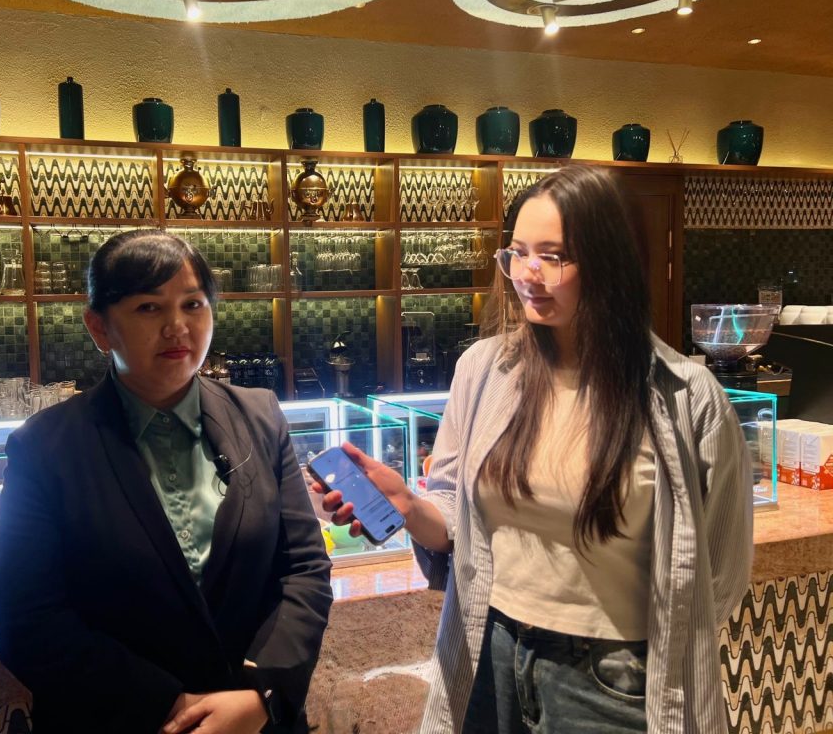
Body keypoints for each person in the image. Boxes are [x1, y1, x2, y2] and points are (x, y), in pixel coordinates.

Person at [318, 165, 752, 733]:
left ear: (610, 262)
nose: (527, 273)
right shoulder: (484, 370)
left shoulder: (685, 396)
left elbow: (720, 573)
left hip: (612, 679)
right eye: (517, 253)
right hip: (487, 653)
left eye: (554, 256)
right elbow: (453, 517)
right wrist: (408, 506)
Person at [0, 230, 333, 734]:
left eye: (193, 304)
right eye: (149, 308)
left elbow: (303, 567)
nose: (177, 327)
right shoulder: (45, 447)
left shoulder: (260, 416)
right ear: (99, 327)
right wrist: (169, 706)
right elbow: (27, 620)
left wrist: (262, 694)